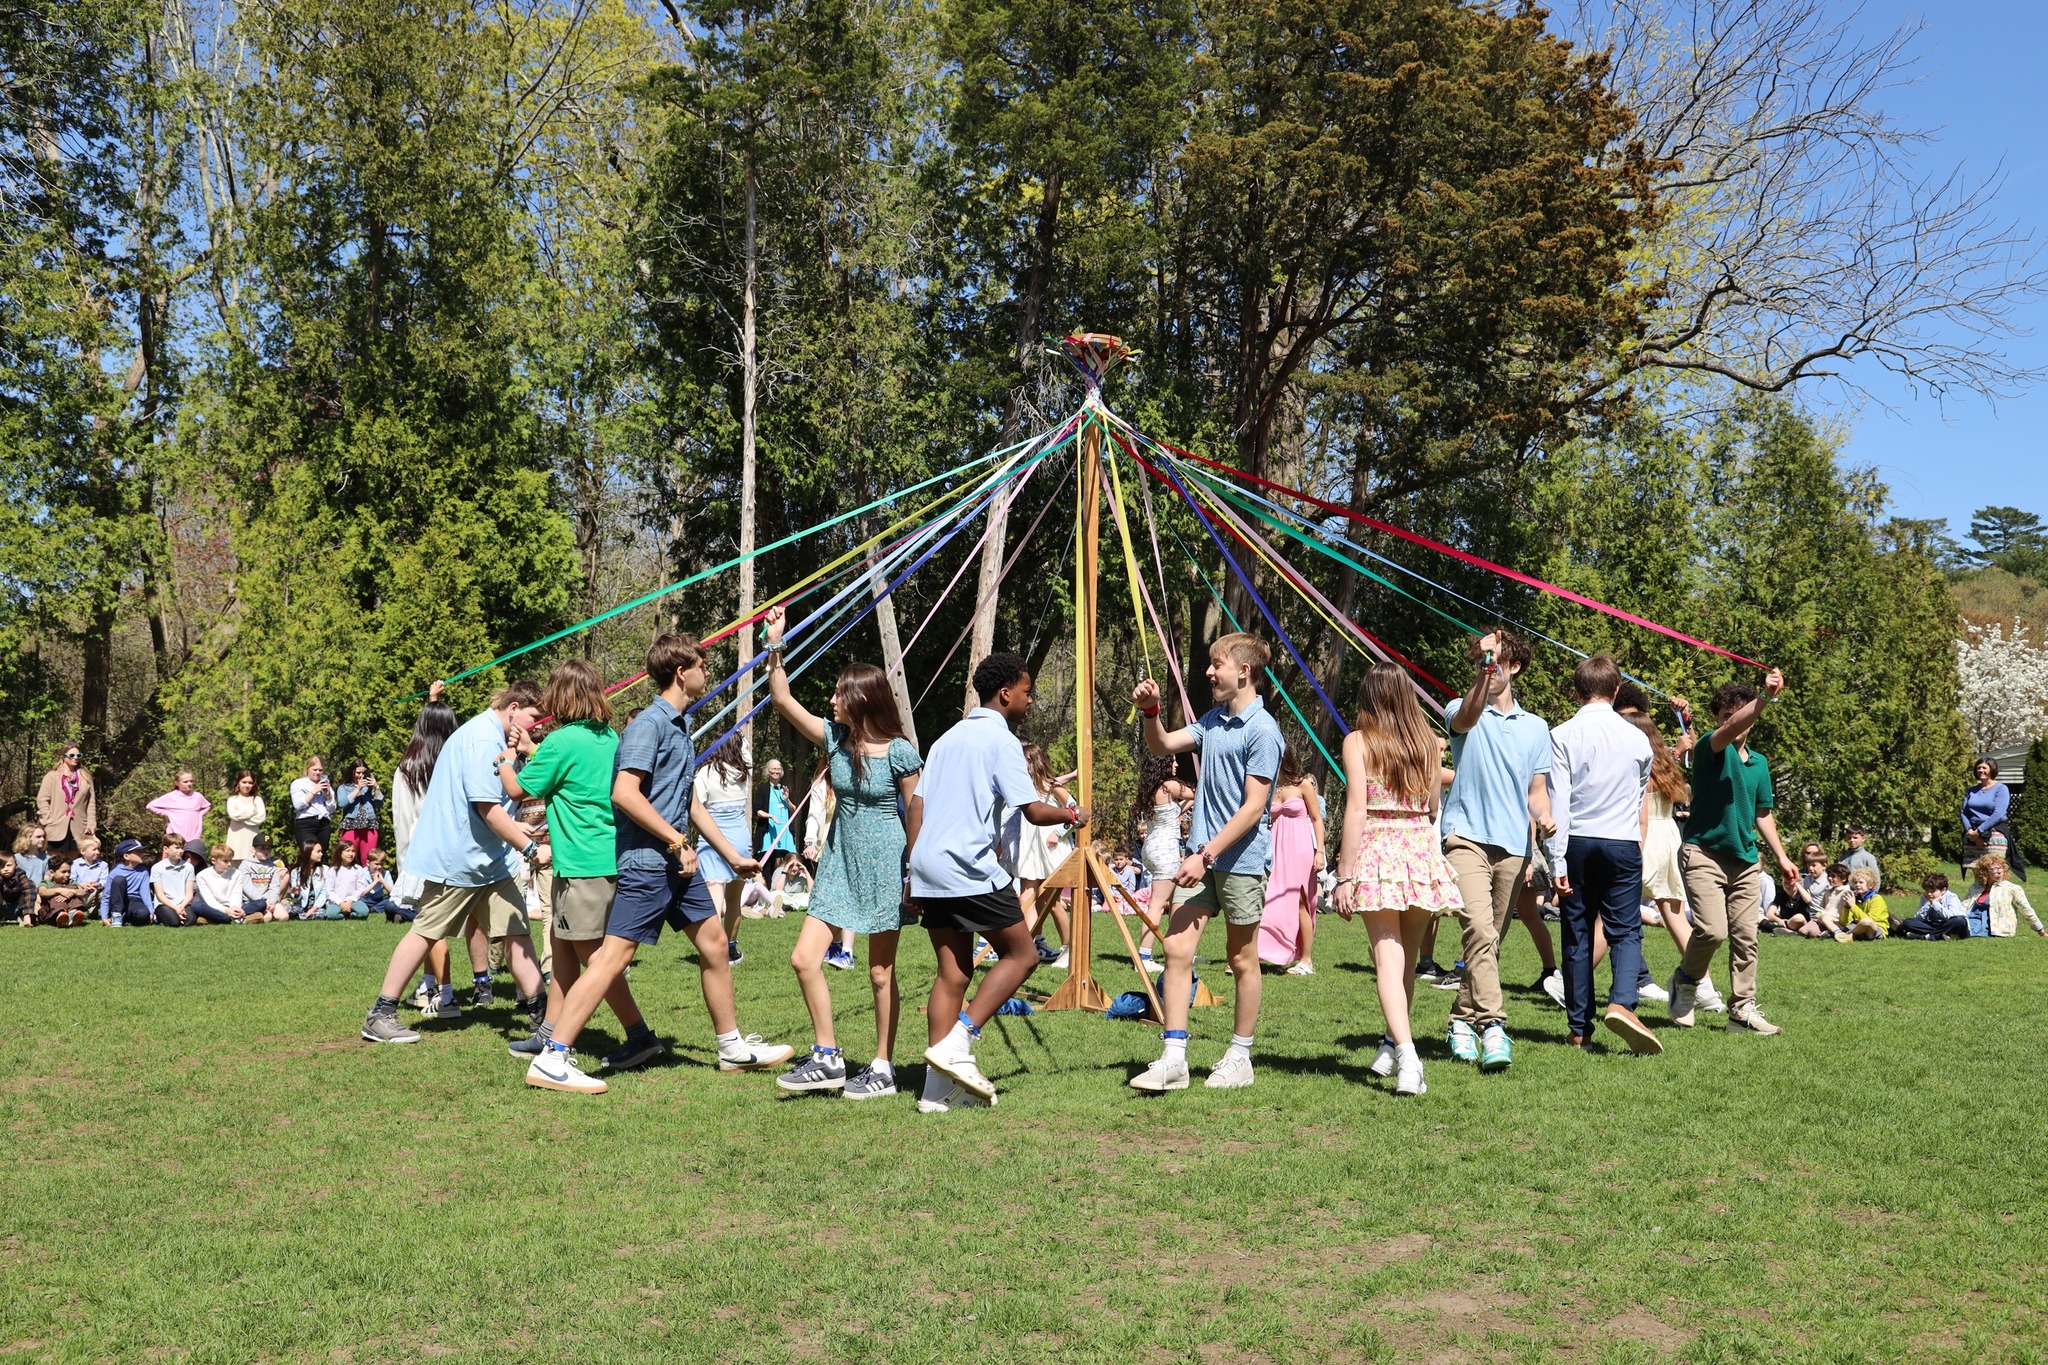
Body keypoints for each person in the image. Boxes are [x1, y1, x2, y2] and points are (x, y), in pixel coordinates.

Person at [521, 634, 792, 1090]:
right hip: (648, 862)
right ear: (681, 672)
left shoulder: (680, 726)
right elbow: (624, 794)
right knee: (610, 959)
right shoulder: (648, 725)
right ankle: (553, 1058)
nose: (708, 674)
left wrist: (731, 855)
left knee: (714, 946)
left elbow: (686, 803)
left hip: (676, 863)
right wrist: (674, 842)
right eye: (702, 666)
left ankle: (731, 1047)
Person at [904, 651, 1088, 1111]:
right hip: (968, 867)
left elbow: (917, 807)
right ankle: (959, 1043)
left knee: (953, 973)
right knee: (1023, 953)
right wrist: (1073, 813)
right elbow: (1032, 809)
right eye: (1027, 693)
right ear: (1005, 694)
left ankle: (935, 1092)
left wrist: (913, 867)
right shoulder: (1003, 741)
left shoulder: (946, 738)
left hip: (929, 865)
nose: (1030, 701)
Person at [761, 605, 925, 1098]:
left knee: (879, 972)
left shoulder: (900, 750)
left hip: (884, 866)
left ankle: (882, 1067)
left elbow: (916, 810)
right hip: (837, 864)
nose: (831, 700)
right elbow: (783, 699)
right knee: (803, 958)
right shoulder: (834, 740)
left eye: (838, 693)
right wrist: (775, 645)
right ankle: (828, 1056)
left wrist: (914, 876)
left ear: (860, 700)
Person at [1128, 632, 1285, 1094]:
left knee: (1241, 958)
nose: (1209, 672)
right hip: (1201, 859)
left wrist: (1206, 853)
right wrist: (1152, 711)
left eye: (1217, 664)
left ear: (1244, 671)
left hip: (1237, 861)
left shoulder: (1264, 731)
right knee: (1176, 951)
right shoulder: (1212, 721)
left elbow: (1254, 808)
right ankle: (1174, 1057)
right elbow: (1161, 746)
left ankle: (1240, 1055)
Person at [360, 681, 555, 1045]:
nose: (537, 726)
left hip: (488, 860)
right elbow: (488, 810)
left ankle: (541, 1016)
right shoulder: (482, 739)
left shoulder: (492, 736)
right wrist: (529, 849)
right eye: (533, 718)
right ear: (514, 708)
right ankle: (381, 1014)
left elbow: (492, 809)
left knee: (515, 930)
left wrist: (515, 830)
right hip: (458, 860)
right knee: (426, 931)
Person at [498, 659, 659, 1071]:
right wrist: (533, 751)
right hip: (607, 859)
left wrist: (507, 758)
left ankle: (639, 1036)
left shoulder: (562, 741)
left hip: (582, 865)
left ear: (560, 695)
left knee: (595, 960)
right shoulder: (610, 737)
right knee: (563, 947)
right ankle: (549, 1032)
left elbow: (517, 789)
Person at [1329, 662, 1466, 1095]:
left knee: (1389, 961)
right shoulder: (1429, 744)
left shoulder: (1358, 742)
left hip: (1378, 848)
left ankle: (1408, 1058)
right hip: (1420, 848)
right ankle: (1392, 1045)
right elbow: (1430, 805)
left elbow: (1356, 808)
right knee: (1403, 961)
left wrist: (1344, 876)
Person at [1438, 629, 1555, 1071]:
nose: (1488, 668)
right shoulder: (1462, 707)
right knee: (1480, 932)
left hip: (1514, 847)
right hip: (1465, 837)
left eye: (1497, 661)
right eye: (1481, 661)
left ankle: (1460, 1021)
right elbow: (1464, 719)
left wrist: (1543, 817)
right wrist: (1483, 675)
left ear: (1516, 666)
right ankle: (1492, 1025)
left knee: (1488, 942)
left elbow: (1537, 790)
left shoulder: (1536, 727)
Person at [1668, 669, 1800, 1035]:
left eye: (1737, 714)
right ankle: (1686, 981)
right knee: (1712, 931)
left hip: (1744, 860)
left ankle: (1740, 1011)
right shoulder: (1711, 746)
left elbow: (1763, 813)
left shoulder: (1758, 764)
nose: (1732, 722)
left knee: (1747, 936)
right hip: (1703, 853)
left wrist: (1783, 858)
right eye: (1726, 715)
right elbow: (1728, 730)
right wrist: (1765, 698)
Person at [1543, 654, 1660, 1055]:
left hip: (1576, 842)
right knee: (1625, 929)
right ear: (1615, 691)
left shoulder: (1562, 734)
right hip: (1621, 843)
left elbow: (1558, 804)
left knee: (1576, 932)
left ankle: (1579, 1031)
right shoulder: (1638, 739)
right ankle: (1622, 1004)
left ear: (1577, 692)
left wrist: (1556, 861)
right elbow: (1639, 793)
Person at [392, 684, 487, 1018]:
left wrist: (406, 866)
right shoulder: (458, 765)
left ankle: (446, 997)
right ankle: (429, 986)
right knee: (439, 926)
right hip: (458, 858)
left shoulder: (407, 771)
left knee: (430, 926)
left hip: (424, 861)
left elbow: (404, 823)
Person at [1258, 746, 1327, 975]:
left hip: (1300, 847)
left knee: (1300, 900)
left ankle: (1306, 960)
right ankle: (1265, 951)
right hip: (1275, 847)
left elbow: (1317, 819)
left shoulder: (1303, 785)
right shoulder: (1268, 787)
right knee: (1270, 898)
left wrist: (1320, 851)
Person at [692, 736, 755, 965]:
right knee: (734, 898)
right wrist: (739, 739)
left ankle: (712, 949)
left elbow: (695, 805)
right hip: (739, 839)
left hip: (712, 839)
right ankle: (729, 948)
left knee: (714, 895)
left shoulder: (705, 773)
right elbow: (746, 751)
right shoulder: (743, 773)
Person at [1016, 743, 1077, 969]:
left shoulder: (1052, 787)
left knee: (1051, 902)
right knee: (1026, 898)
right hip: (1030, 848)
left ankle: (1069, 948)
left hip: (1050, 847)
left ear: (1032, 761)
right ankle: (1030, 948)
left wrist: (1059, 832)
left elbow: (1077, 811)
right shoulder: (1022, 787)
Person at [1133, 755, 1194, 973]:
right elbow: (1198, 792)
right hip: (1165, 849)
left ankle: (1178, 949)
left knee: (1175, 900)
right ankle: (1144, 956)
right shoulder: (1170, 785)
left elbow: (1177, 807)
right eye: (1173, 761)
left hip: (1152, 846)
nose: (1177, 764)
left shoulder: (1153, 788)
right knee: (1157, 904)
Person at [1961, 758, 2024, 877]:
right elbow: (1964, 813)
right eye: (1978, 767)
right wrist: (1971, 832)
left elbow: (1998, 814)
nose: (1980, 770)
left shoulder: (2001, 789)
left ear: (1992, 769)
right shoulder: (1971, 790)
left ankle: (1997, 896)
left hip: (1994, 834)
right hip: (1972, 835)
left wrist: (1979, 832)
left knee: (1995, 873)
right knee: (1979, 874)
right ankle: (1981, 896)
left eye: (1984, 767)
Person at [36, 745, 95, 856]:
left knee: (73, 863)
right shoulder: (52, 776)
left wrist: (91, 824)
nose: (76, 758)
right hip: (56, 825)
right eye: (72, 755)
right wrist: (48, 819)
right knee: (54, 862)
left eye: (79, 755)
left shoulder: (86, 777)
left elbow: (91, 804)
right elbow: (42, 800)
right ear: (63, 757)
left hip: (78, 827)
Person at [1969, 855, 2043, 937]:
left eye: (2001, 868)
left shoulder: (2012, 888)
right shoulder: (1976, 887)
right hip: (1972, 920)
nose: (1999, 871)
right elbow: (1964, 906)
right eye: (1994, 869)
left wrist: (2040, 930)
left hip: (1996, 927)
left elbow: (2026, 909)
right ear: (1985, 872)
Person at [753, 758, 797, 887]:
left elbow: (794, 810)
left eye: (778, 769)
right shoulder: (763, 788)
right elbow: (757, 810)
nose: (776, 772)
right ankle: (765, 890)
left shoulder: (784, 788)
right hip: (769, 832)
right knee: (767, 863)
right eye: (773, 769)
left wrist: (787, 799)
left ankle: (785, 889)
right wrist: (771, 816)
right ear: (768, 771)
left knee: (789, 861)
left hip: (785, 832)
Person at [232, 833, 289, 922]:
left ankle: (270, 915)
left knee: (284, 917)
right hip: (253, 901)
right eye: (262, 848)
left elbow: (275, 886)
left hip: (269, 901)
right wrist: (263, 902)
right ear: (254, 849)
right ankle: (247, 918)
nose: (266, 851)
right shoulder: (245, 865)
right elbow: (247, 888)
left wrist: (272, 902)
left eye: (268, 849)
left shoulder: (273, 866)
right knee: (267, 917)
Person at [146, 771, 213, 847]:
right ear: (177, 783)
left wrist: (200, 814)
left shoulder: (197, 796)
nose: (189, 784)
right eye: (185, 782)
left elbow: (207, 806)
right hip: (175, 837)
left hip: (194, 836)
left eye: (191, 781)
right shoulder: (171, 797)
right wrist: (167, 813)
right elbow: (150, 806)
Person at [1895, 872, 1970, 939]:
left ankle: (1926, 936)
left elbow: (1952, 916)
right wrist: (1928, 903)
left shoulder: (1952, 897)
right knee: (1908, 922)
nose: (1929, 894)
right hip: (1935, 925)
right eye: (1927, 891)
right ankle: (1941, 935)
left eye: (1933, 891)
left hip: (1951, 925)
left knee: (1960, 920)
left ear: (1943, 890)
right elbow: (1919, 918)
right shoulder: (1925, 897)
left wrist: (1936, 905)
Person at [145, 835, 198, 927]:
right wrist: (175, 908)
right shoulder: (157, 868)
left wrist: (181, 907)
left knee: (190, 920)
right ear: (166, 849)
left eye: (182, 848)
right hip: (164, 903)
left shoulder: (188, 867)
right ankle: (161, 918)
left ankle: (177, 915)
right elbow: (160, 895)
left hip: (183, 903)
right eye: (177, 848)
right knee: (173, 922)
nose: (180, 851)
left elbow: (189, 893)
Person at [336, 762, 384, 861]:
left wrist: (376, 787)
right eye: (358, 772)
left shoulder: (369, 787)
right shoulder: (344, 787)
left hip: (369, 826)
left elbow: (379, 804)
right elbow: (342, 803)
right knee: (348, 858)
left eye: (364, 772)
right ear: (352, 772)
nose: (361, 775)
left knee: (368, 859)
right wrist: (358, 789)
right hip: (351, 825)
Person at [104, 839, 156, 927]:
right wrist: (104, 916)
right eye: (138, 852)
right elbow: (107, 895)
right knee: (119, 880)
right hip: (118, 900)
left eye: (142, 851)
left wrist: (151, 912)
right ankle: (116, 915)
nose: (142, 854)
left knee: (143, 915)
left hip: (135, 901)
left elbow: (145, 893)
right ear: (126, 856)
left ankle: (125, 919)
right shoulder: (115, 872)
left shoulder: (144, 871)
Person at [290, 757, 338, 850]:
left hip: (323, 824)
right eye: (314, 769)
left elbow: (332, 809)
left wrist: (328, 794)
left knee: (320, 855)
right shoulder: (298, 783)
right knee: (309, 853)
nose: (317, 772)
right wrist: (314, 791)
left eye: (320, 770)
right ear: (307, 769)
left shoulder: (326, 785)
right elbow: (298, 805)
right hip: (306, 823)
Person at [33, 862, 94, 927]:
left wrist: (69, 892)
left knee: (73, 887)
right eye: (63, 872)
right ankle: (60, 914)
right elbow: (42, 892)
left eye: (69, 871)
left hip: (69, 909)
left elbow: (83, 892)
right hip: (50, 914)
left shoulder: (71, 882)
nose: (67, 874)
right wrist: (59, 891)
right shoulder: (47, 883)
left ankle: (73, 913)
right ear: (52, 872)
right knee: (54, 890)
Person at [195, 843, 244, 923]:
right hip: (213, 907)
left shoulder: (237, 873)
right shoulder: (202, 876)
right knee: (196, 906)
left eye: (230, 860)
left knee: (260, 904)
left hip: (231, 905)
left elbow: (236, 894)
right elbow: (209, 900)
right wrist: (226, 911)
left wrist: (234, 908)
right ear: (213, 861)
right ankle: (229, 919)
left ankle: (214, 919)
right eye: (225, 861)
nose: (229, 864)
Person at [223, 770, 266, 860]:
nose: (247, 786)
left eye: (250, 783)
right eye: (244, 782)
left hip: (251, 839)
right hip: (235, 840)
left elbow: (261, 818)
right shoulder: (232, 799)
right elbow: (234, 815)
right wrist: (252, 812)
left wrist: (241, 817)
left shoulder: (257, 800)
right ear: (238, 783)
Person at [326, 840, 373, 919]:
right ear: (340, 852)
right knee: (331, 914)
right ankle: (343, 916)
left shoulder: (358, 869)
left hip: (353, 901)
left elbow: (360, 888)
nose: (351, 854)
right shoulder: (333, 870)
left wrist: (350, 901)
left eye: (353, 851)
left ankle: (351, 915)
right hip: (337, 902)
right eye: (347, 851)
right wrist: (340, 903)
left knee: (363, 912)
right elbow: (329, 891)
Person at [290, 842, 337, 919]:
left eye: (321, 851)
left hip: (317, 907)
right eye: (318, 851)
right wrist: (297, 894)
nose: (321, 854)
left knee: (323, 913)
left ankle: (301, 917)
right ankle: (302, 916)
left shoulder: (325, 870)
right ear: (308, 852)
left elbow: (324, 893)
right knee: (286, 909)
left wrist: (313, 908)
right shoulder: (296, 872)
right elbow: (294, 897)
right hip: (300, 906)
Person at [68, 837, 109, 922]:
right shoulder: (75, 864)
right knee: (72, 892)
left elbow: (105, 880)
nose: (97, 852)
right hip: (80, 892)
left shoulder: (103, 865)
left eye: (98, 849)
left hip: (96, 892)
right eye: (94, 849)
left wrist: (98, 884)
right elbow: (71, 879)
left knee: (104, 894)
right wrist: (81, 885)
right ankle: (75, 911)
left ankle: (96, 913)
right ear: (83, 851)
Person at [1842, 868, 1889, 939]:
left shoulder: (1876, 898)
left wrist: (1853, 907)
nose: (1857, 885)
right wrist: (1846, 908)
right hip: (1859, 927)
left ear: (1870, 885)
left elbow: (1870, 920)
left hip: (1875, 928)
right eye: (1855, 882)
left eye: (1861, 882)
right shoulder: (1856, 898)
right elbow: (1844, 922)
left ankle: (1848, 935)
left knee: (1865, 921)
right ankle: (1849, 935)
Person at [362, 848, 404, 921]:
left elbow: (393, 892)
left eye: (381, 864)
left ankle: (374, 909)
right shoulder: (362, 873)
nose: (379, 867)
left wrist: (382, 881)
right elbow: (362, 893)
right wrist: (375, 882)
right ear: (368, 863)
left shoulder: (386, 873)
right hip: (366, 899)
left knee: (391, 900)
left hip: (379, 899)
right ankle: (368, 908)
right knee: (359, 901)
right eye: (376, 864)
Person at [12, 824, 49, 892]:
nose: (42, 839)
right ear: (27, 838)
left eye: (43, 836)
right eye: (38, 837)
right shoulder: (16, 858)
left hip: (41, 892)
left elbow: (47, 881)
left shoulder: (46, 858)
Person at [0, 852, 31, 926]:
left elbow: (28, 891)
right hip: (3, 907)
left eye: (9, 865)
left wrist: (27, 913)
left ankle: (24, 917)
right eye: (1, 866)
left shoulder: (20, 874)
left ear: (16, 865)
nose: (6, 869)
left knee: (30, 884)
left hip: (19, 907)